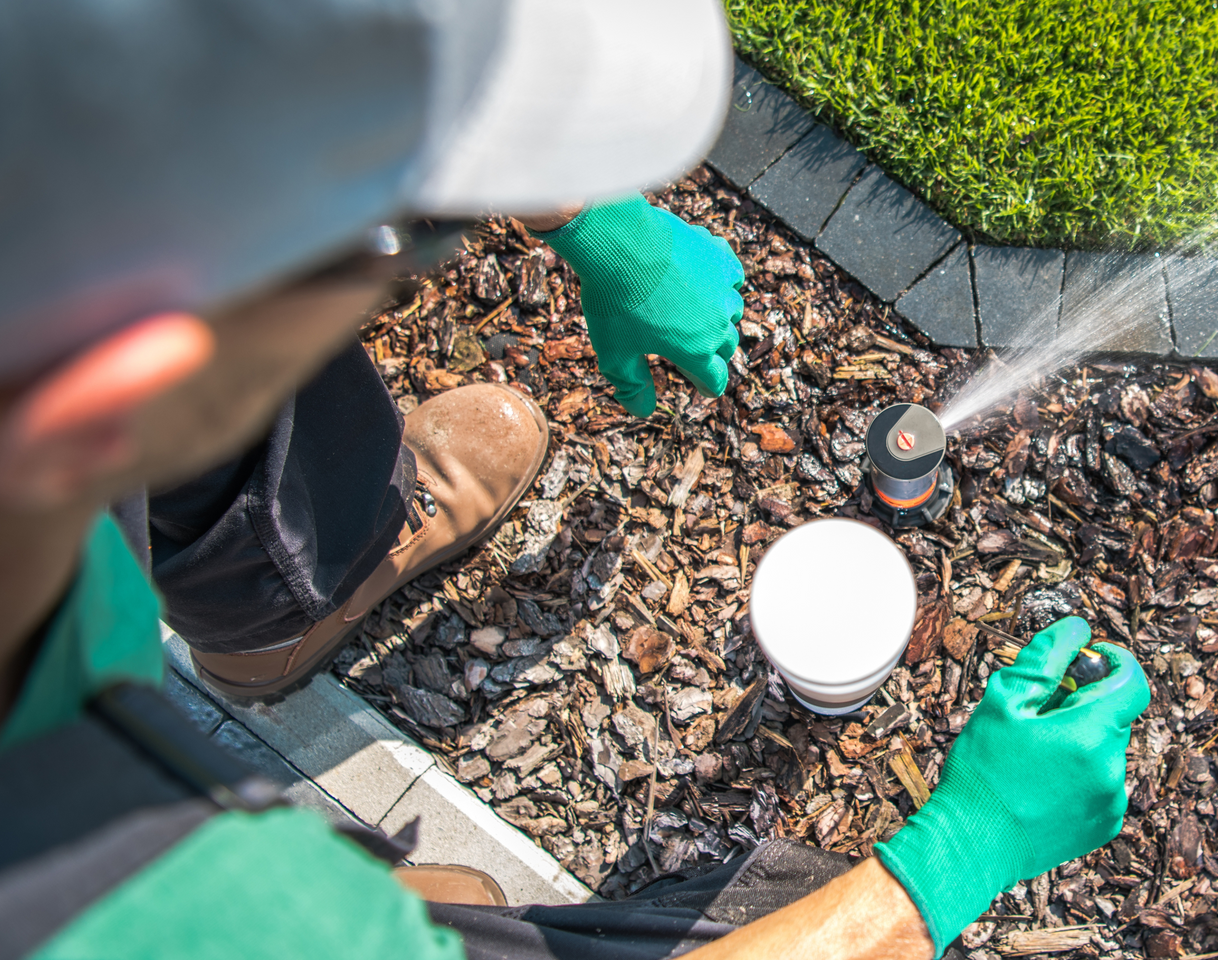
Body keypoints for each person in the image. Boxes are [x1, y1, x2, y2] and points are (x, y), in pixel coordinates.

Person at [0, 0, 1152, 958]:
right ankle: (281, 622)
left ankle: (280, 600)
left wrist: (590, 219)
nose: (412, 266)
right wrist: (954, 861)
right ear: (121, 387)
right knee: (743, 909)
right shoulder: (175, 907)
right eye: (394, 250)